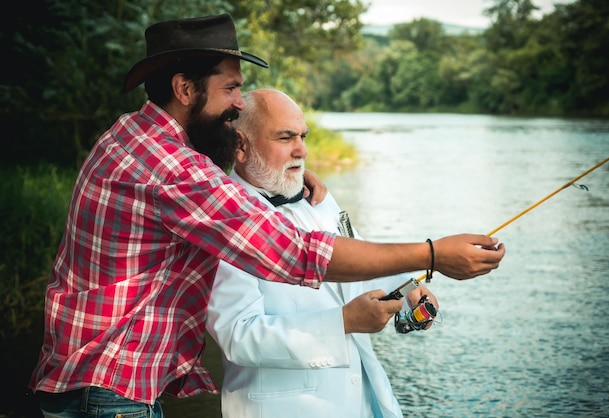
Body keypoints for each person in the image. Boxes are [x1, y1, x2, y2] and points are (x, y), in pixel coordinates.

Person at [29, 13, 505, 417]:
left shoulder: (131, 136)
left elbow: (235, 183)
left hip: (91, 376)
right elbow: (292, 254)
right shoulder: (175, 171)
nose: (238, 102)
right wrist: (431, 253)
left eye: (302, 138)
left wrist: (291, 179)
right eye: (231, 87)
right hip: (111, 385)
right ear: (185, 89)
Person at [207, 88, 439, 417]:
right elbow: (239, 335)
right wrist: (343, 322)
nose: (301, 150)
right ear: (241, 145)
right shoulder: (221, 218)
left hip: (361, 403)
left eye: (303, 136)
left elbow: (359, 260)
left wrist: (407, 286)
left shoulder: (316, 195)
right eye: (285, 138)